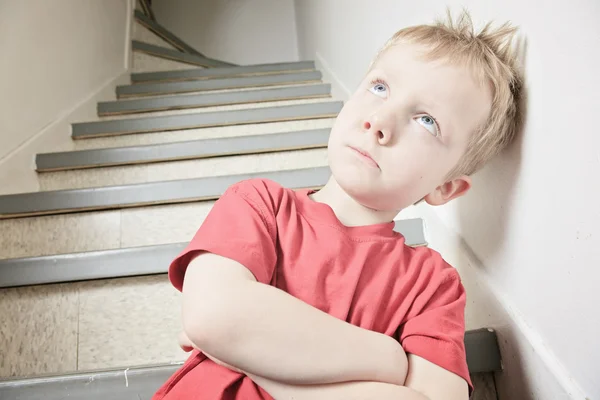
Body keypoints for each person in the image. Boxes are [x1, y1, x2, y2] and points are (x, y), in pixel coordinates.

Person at [152, 9, 523, 400]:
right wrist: (389, 360)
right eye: (380, 88)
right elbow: (215, 315)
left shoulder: (432, 286)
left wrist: (244, 358)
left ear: (445, 188)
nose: (380, 120)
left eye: (426, 120)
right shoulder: (260, 205)